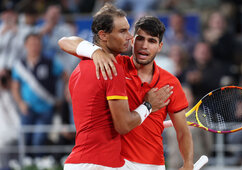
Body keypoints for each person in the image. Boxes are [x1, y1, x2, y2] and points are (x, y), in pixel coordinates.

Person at [58, 15, 194, 170]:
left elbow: (183, 131)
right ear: (132, 41)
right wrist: (95, 52)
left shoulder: (171, 83)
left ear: (160, 46)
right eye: (140, 39)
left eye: (152, 41)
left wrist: (188, 163)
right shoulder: (114, 65)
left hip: (152, 164)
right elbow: (64, 42)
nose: (144, 46)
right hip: (117, 164)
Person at [11, 33, 68, 157]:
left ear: (41, 45)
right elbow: (15, 87)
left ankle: (39, 163)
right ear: (26, 45)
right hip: (27, 109)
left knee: (39, 139)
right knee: (25, 138)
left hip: (46, 108)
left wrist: (63, 97)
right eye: (31, 43)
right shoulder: (20, 65)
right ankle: (26, 164)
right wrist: (20, 103)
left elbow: (66, 77)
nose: (34, 46)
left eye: (37, 43)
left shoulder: (50, 62)